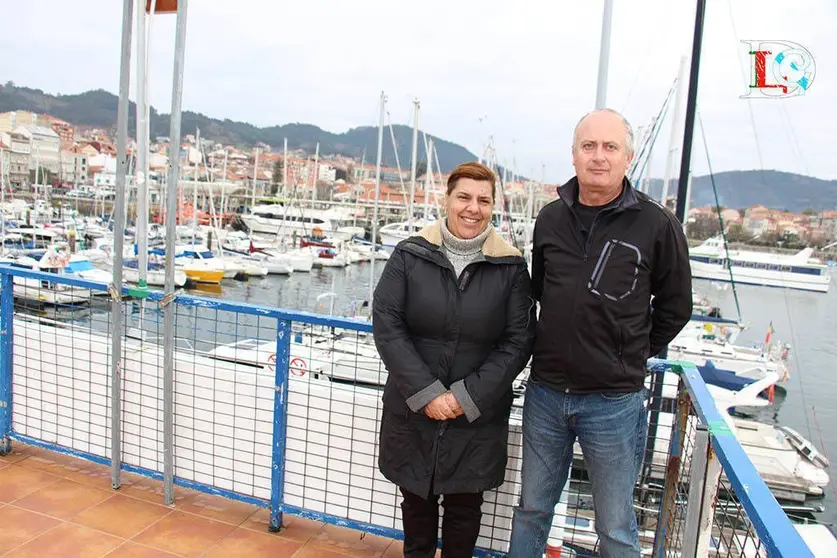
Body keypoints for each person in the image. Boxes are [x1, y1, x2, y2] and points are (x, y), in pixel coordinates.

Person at [507, 109, 693, 558]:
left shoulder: (656, 224)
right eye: (589, 146)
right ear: (573, 155)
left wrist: (629, 353)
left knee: (614, 528)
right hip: (547, 393)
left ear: (628, 157)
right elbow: (542, 289)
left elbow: (676, 307)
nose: (599, 156)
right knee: (532, 509)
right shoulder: (550, 219)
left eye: (610, 147)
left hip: (613, 402)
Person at [373, 161, 536, 558]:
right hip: (415, 411)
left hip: (475, 416)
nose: (472, 208)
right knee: (416, 509)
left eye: (483, 200)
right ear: (446, 199)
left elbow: (518, 341)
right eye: (464, 197)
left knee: (465, 515)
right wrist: (427, 393)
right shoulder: (410, 254)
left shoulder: (511, 267)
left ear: (493, 206)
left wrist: (463, 397)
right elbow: (387, 323)